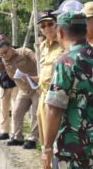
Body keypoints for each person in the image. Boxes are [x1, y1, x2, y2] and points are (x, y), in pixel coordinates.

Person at [42, 11, 93, 169]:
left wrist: (47, 148)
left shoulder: (66, 61)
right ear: (85, 30)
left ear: (61, 32)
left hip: (74, 147)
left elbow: (54, 109)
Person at [0, 41, 39, 149]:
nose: (4, 55)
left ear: (11, 48)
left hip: (36, 88)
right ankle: (18, 137)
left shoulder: (23, 52)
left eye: (5, 52)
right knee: (16, 112)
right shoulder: (4, 61)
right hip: (23, 90)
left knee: (35, 114)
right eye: (1, 54)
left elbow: (37, 59)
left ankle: (32, 139)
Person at [35, 9, 64, 146]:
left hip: (56, 97)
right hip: (42, 95)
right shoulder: (42, 47)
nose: (47, 28)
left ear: (57, 24)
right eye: (43, 26)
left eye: (50, 24)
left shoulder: (64, 44)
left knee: (55, 139)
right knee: (44, 139)